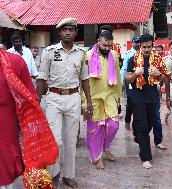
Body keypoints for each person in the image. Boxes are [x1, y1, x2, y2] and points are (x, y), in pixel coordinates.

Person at [37, 18, 93, 188]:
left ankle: (69, 175)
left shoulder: (81, 53)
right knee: (55, 139)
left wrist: (88, 101)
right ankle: (54, 173)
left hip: (73, 99)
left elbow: (84, 78)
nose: (67, 32)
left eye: (71, 29)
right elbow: (42, 78)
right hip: (53, 98)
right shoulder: (49, 51)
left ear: (76, 32)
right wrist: (36, 101)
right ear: (59, 32)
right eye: (64, 30)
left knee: (70, 140)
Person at [0, 50, 58, 189]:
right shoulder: (14, 60)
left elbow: (30, 96)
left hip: (6, 118)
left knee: (7, 155)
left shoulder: (14, 61)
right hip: (7, 118)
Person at [125, 34, 170, 169]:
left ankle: (138, 135)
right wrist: (135, 73)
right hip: (137, 94)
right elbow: (127, 80)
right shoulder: (132, 59)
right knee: (143, 125)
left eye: (149, 46)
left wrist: (158, 74)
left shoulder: (158, 59)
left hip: (152, 95)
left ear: (152, 46)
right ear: (140, 46)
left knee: (149, 123)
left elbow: (166, 79)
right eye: (144, 47)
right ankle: (145, 157)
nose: (146, 49)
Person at [83, 30, 122, 169]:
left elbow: (117, 75)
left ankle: (105, 146)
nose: (107, 48)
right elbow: (83, 80)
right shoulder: (87, 56)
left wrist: (118, 98)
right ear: (98, 42)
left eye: (110, 46)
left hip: (110, 96)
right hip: (93, 98)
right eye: (105, 45)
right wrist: (84, 101)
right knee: (95, 130)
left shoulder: (114, 55)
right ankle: (96, 157)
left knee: (114, 125)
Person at [120, 35, 140, 130]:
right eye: (135, 42)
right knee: (131, 102)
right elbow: (124, 69)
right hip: (130, 81)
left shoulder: (144, 53)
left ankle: (137, 124)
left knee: (139, 103)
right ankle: (128, 119)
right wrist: (122, 83)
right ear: (132, 43)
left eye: (139, 42)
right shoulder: (128, 54)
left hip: (141, 83)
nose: (137, 44)